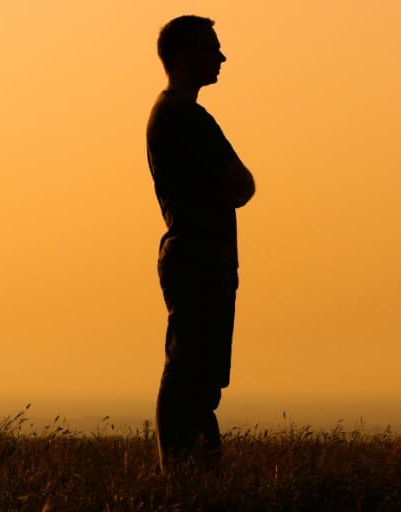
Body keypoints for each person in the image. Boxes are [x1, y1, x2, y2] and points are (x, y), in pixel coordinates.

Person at [145, 15, 255, 470]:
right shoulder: (185, 117)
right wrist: (222, 193)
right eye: (213, 48)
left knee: (201, 374)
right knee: (190, 370)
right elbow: (243, 183)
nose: (222, 57)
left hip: (201, 256)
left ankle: (199, 467)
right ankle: (182, 469)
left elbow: (239, 185)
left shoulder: (172, 114)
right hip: (197, 258)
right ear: (187, 57)